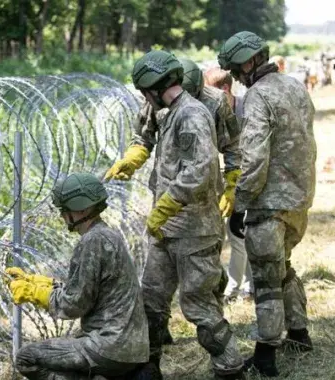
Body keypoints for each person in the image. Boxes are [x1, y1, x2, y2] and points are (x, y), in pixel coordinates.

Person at [105, 50, 245, 380]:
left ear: (153, 87)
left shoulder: (193, 114)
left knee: (199, 306)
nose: (143, 98)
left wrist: (167, 204)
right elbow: (145, 137)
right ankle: (148, 367)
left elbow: (202, 169)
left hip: (195, 229)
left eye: (143, 91)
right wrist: (133, 158)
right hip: (166, 228)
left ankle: (231, 369)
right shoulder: (165, 109)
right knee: (151, 301)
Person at [218, 31, 317, 377]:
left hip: (269, 203)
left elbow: (255, 159)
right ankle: (300, 333)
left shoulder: (258, 97)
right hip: (299, 199)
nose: (235, 78)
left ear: (249, 62)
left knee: (265, 280)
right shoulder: (295, 86)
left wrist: (240, 203)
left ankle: (265, 356)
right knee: (283, 266)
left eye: (235, 70)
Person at [6, 173, 154, 380]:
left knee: (26, 358)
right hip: (133, 346)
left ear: (81, 209)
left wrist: (35, 293)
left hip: (109, 346)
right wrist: (41, 282)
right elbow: (88, 288)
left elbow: (74, 304)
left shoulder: (92, 241)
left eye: (64, 210)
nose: (62, 216)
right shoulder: (107, 235)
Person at [204, 67, 254, 303]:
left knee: (242, 235)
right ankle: (239, 287)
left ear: (225, 89)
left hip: (253, 181)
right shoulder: (217, 113)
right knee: (236, 235)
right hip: (232, 183)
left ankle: (242, 288)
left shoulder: (249, 110)